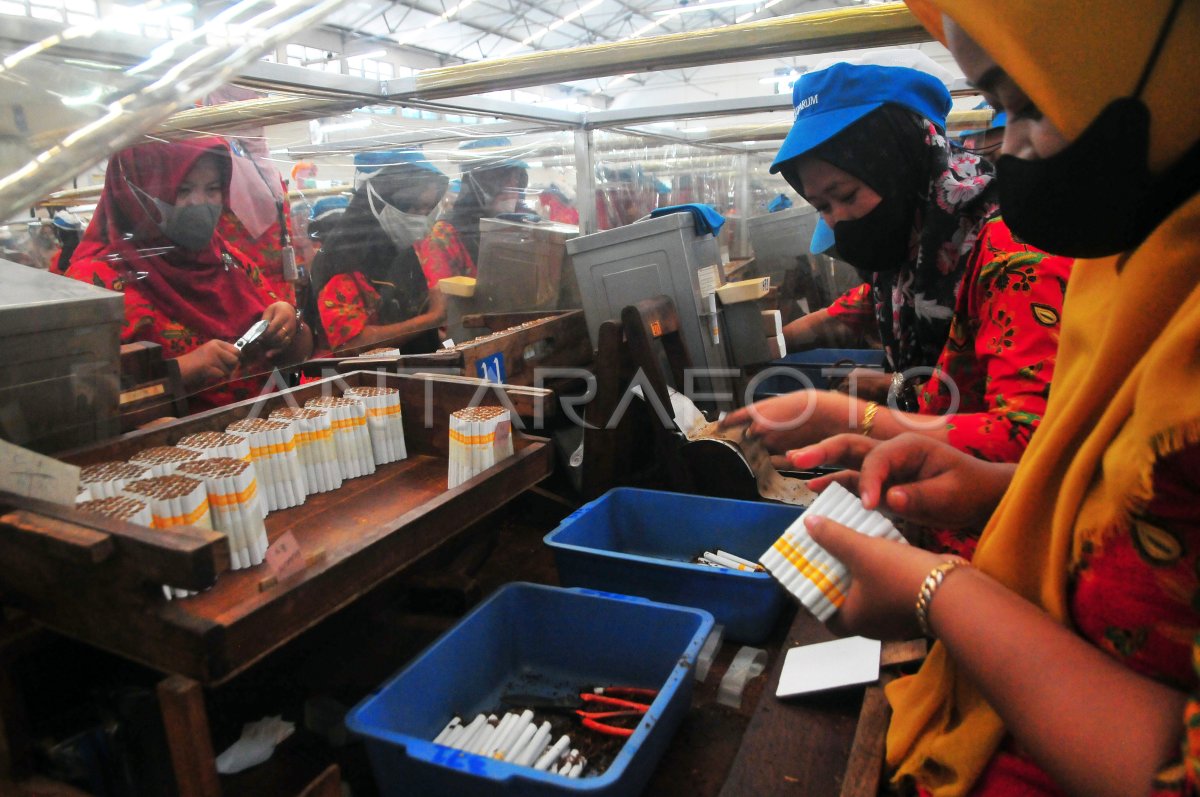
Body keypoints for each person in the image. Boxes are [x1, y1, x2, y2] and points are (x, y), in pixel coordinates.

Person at [786, 1, 1200, 795]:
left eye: (1025, 106)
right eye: (823, 207)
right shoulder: (1137, 279)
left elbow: (1023, 422)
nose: (1007, 146)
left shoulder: (1016, 247)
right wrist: (992, 491)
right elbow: (1107, 494)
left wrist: (935, 588)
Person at [721, 61, 1074, 547]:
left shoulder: (1013, 259)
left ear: (901, 161)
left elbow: (1032, 440)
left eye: (845, 195)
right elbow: (861, 307)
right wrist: (755, 339)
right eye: (823, 207)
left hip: (1008, 543)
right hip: (934, 522)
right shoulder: (914, 257)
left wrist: (846, 416)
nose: (839, 220)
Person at [65, 137, 312, 411]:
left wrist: (290, 323)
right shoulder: (95, 283)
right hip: (171, 447)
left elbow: (295, 356)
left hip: (270, 433)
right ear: (135, 194)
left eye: (213, 189)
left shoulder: (227, 259)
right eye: (183, 190)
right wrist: (180, 370)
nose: (200, 203)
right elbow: (80, 398)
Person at [309, 154, 449, 353]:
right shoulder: (341, 259)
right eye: (413, 207)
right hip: (364, 380)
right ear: (377, 199)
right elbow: (350, 343)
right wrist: (432, 318)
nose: (419, 219)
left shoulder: (403, 250)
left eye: (426, 209)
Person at [416, 137, 529, 311]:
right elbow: (444, 312)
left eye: (516, 178)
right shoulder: (445, 235)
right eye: (503, 177)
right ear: (478, 181)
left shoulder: (520, 224)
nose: (512, 186)